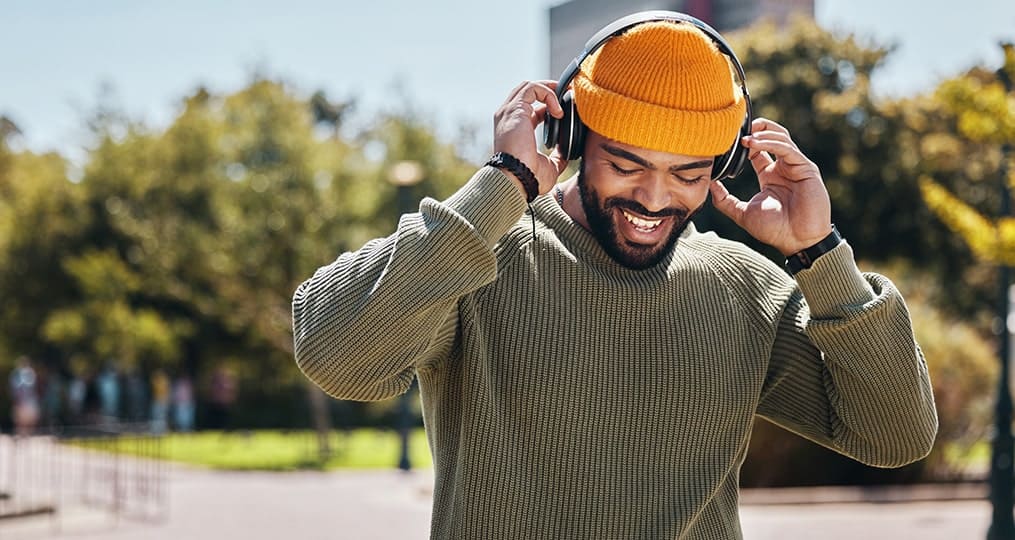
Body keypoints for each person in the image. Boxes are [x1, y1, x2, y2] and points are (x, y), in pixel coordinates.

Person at [292, 12, 937, 539]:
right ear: (570, 135)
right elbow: (337, 354)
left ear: (727, 164)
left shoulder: (742, 287)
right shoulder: (483, 256)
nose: (655, 200)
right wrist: (499, 190)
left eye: (688, 174)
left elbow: (895, 434)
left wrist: (820, 257)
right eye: (627, 164)